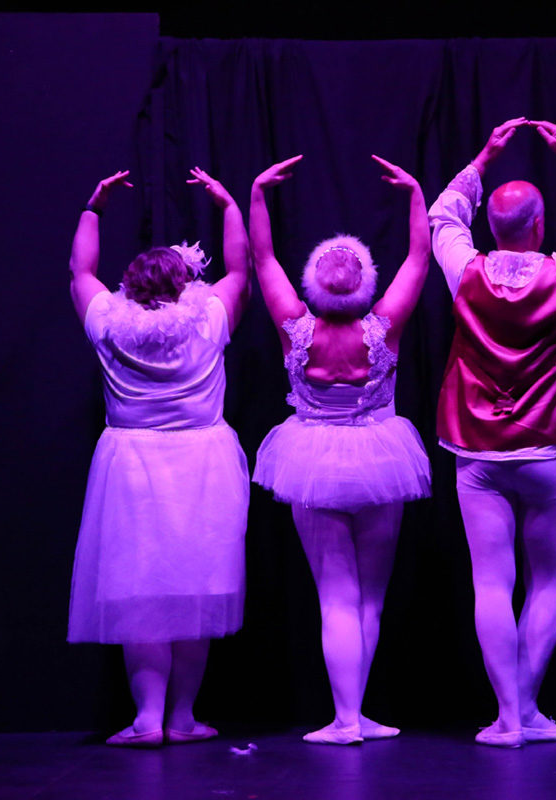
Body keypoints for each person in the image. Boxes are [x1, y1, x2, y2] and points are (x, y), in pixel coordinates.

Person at [429, 118, 556, 747]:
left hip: (477, 448)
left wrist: (483, 156)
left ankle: (510, 718)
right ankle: (528, 709)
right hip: (544, 450)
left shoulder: (464, 268)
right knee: (547, 580)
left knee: (491, 581)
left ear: (492, 226)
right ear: (540, 227)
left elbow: (442, 216)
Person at [249, 154, 432, 745]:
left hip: (314, 458)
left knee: (336, 595)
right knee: (369, 597)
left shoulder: (293, 327)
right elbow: (419, 258)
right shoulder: (384, 327)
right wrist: (413, 194)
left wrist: (256, 195)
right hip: (379, 456)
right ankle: (356, 714)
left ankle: (348, 718)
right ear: (366, 285)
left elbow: (263, 259)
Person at [66, 168, 251, 748]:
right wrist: (226, 206)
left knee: (140, 590)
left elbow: (81, 272)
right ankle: (182, 717)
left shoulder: (108, 325)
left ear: (129, 287)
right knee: (194, 589)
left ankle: (149, 719)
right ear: (184, 284)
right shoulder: (211, 319)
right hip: (202, 463)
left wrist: (93, 206)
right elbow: (242, 271)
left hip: (133, 465)